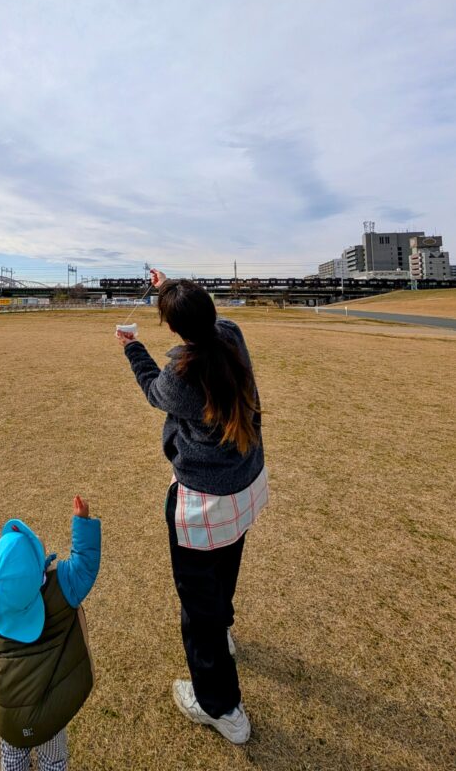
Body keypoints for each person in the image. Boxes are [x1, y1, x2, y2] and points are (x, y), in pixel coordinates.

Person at [116, 270, 268, 745]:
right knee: (224, 571)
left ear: (174, 328)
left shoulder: (182, 373)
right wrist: (170, 288)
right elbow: (207, 321)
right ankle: (222, 631)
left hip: (204, 501)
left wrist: (130, 347)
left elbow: (151, 390)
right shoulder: (230, 336)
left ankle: (221, 708)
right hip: (244, 484)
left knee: (197, 605)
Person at [0, 495, 101, 771]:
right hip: (48, 713)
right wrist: (81, 522)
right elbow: (85, 566)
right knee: (54, 761)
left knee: (12, 759)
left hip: (8, 714)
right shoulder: (62, 589)